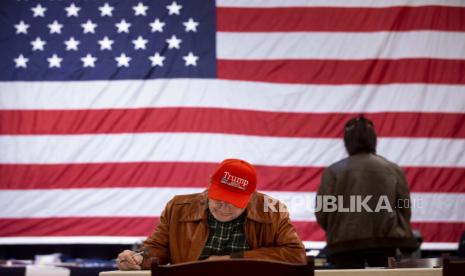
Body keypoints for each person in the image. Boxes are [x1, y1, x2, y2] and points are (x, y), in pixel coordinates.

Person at [117, 158, 307, 270]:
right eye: (219, 199)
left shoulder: (272, 209)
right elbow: (157, 248)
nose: (224, 207)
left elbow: (296, 255)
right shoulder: (178, 207)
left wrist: (235, 260)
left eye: (233, 203)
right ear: (210, 185)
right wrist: (140, 258)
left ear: (251, 197)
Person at [315, 116, 418, 269]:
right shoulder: (393, 170)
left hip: (343, 246)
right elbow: (404, 208)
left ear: (347, 141)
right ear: (373, 139)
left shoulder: (333, 172)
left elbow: (322, 213)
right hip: (385, 243)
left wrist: (339, 229)